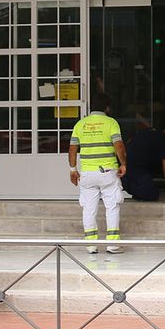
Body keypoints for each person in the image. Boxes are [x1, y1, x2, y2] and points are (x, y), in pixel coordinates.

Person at [69, 95, 127, 254]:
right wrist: (123, 164)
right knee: (112, 206)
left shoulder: (80, 124)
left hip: (87, 173)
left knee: (88, 209)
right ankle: (113, 244)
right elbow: (119, 145)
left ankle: (91, 245)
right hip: (108, 172)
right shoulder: (111, 123)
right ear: (107, 108)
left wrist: (73, 170)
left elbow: (73, 149)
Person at [122, 122, 165, 202]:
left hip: (126, 166)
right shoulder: (164, 140)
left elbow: (129, 141)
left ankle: (129, 190)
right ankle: (125, 190)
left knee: (142, 187)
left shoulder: (148, 131)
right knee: (153, 193)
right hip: (137, 168)